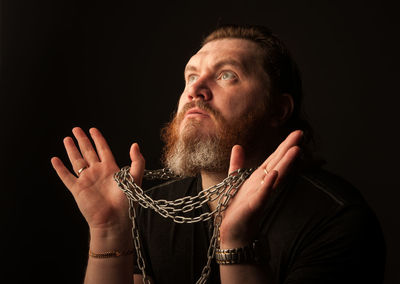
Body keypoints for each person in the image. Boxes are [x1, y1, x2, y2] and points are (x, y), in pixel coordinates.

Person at [51, 25, 385, 284]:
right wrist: (109, 231)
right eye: (191, 76)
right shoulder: (153, 212)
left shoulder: (335, 220)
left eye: (227, 75)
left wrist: (236, 244)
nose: (195, 89)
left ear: (278, 110)